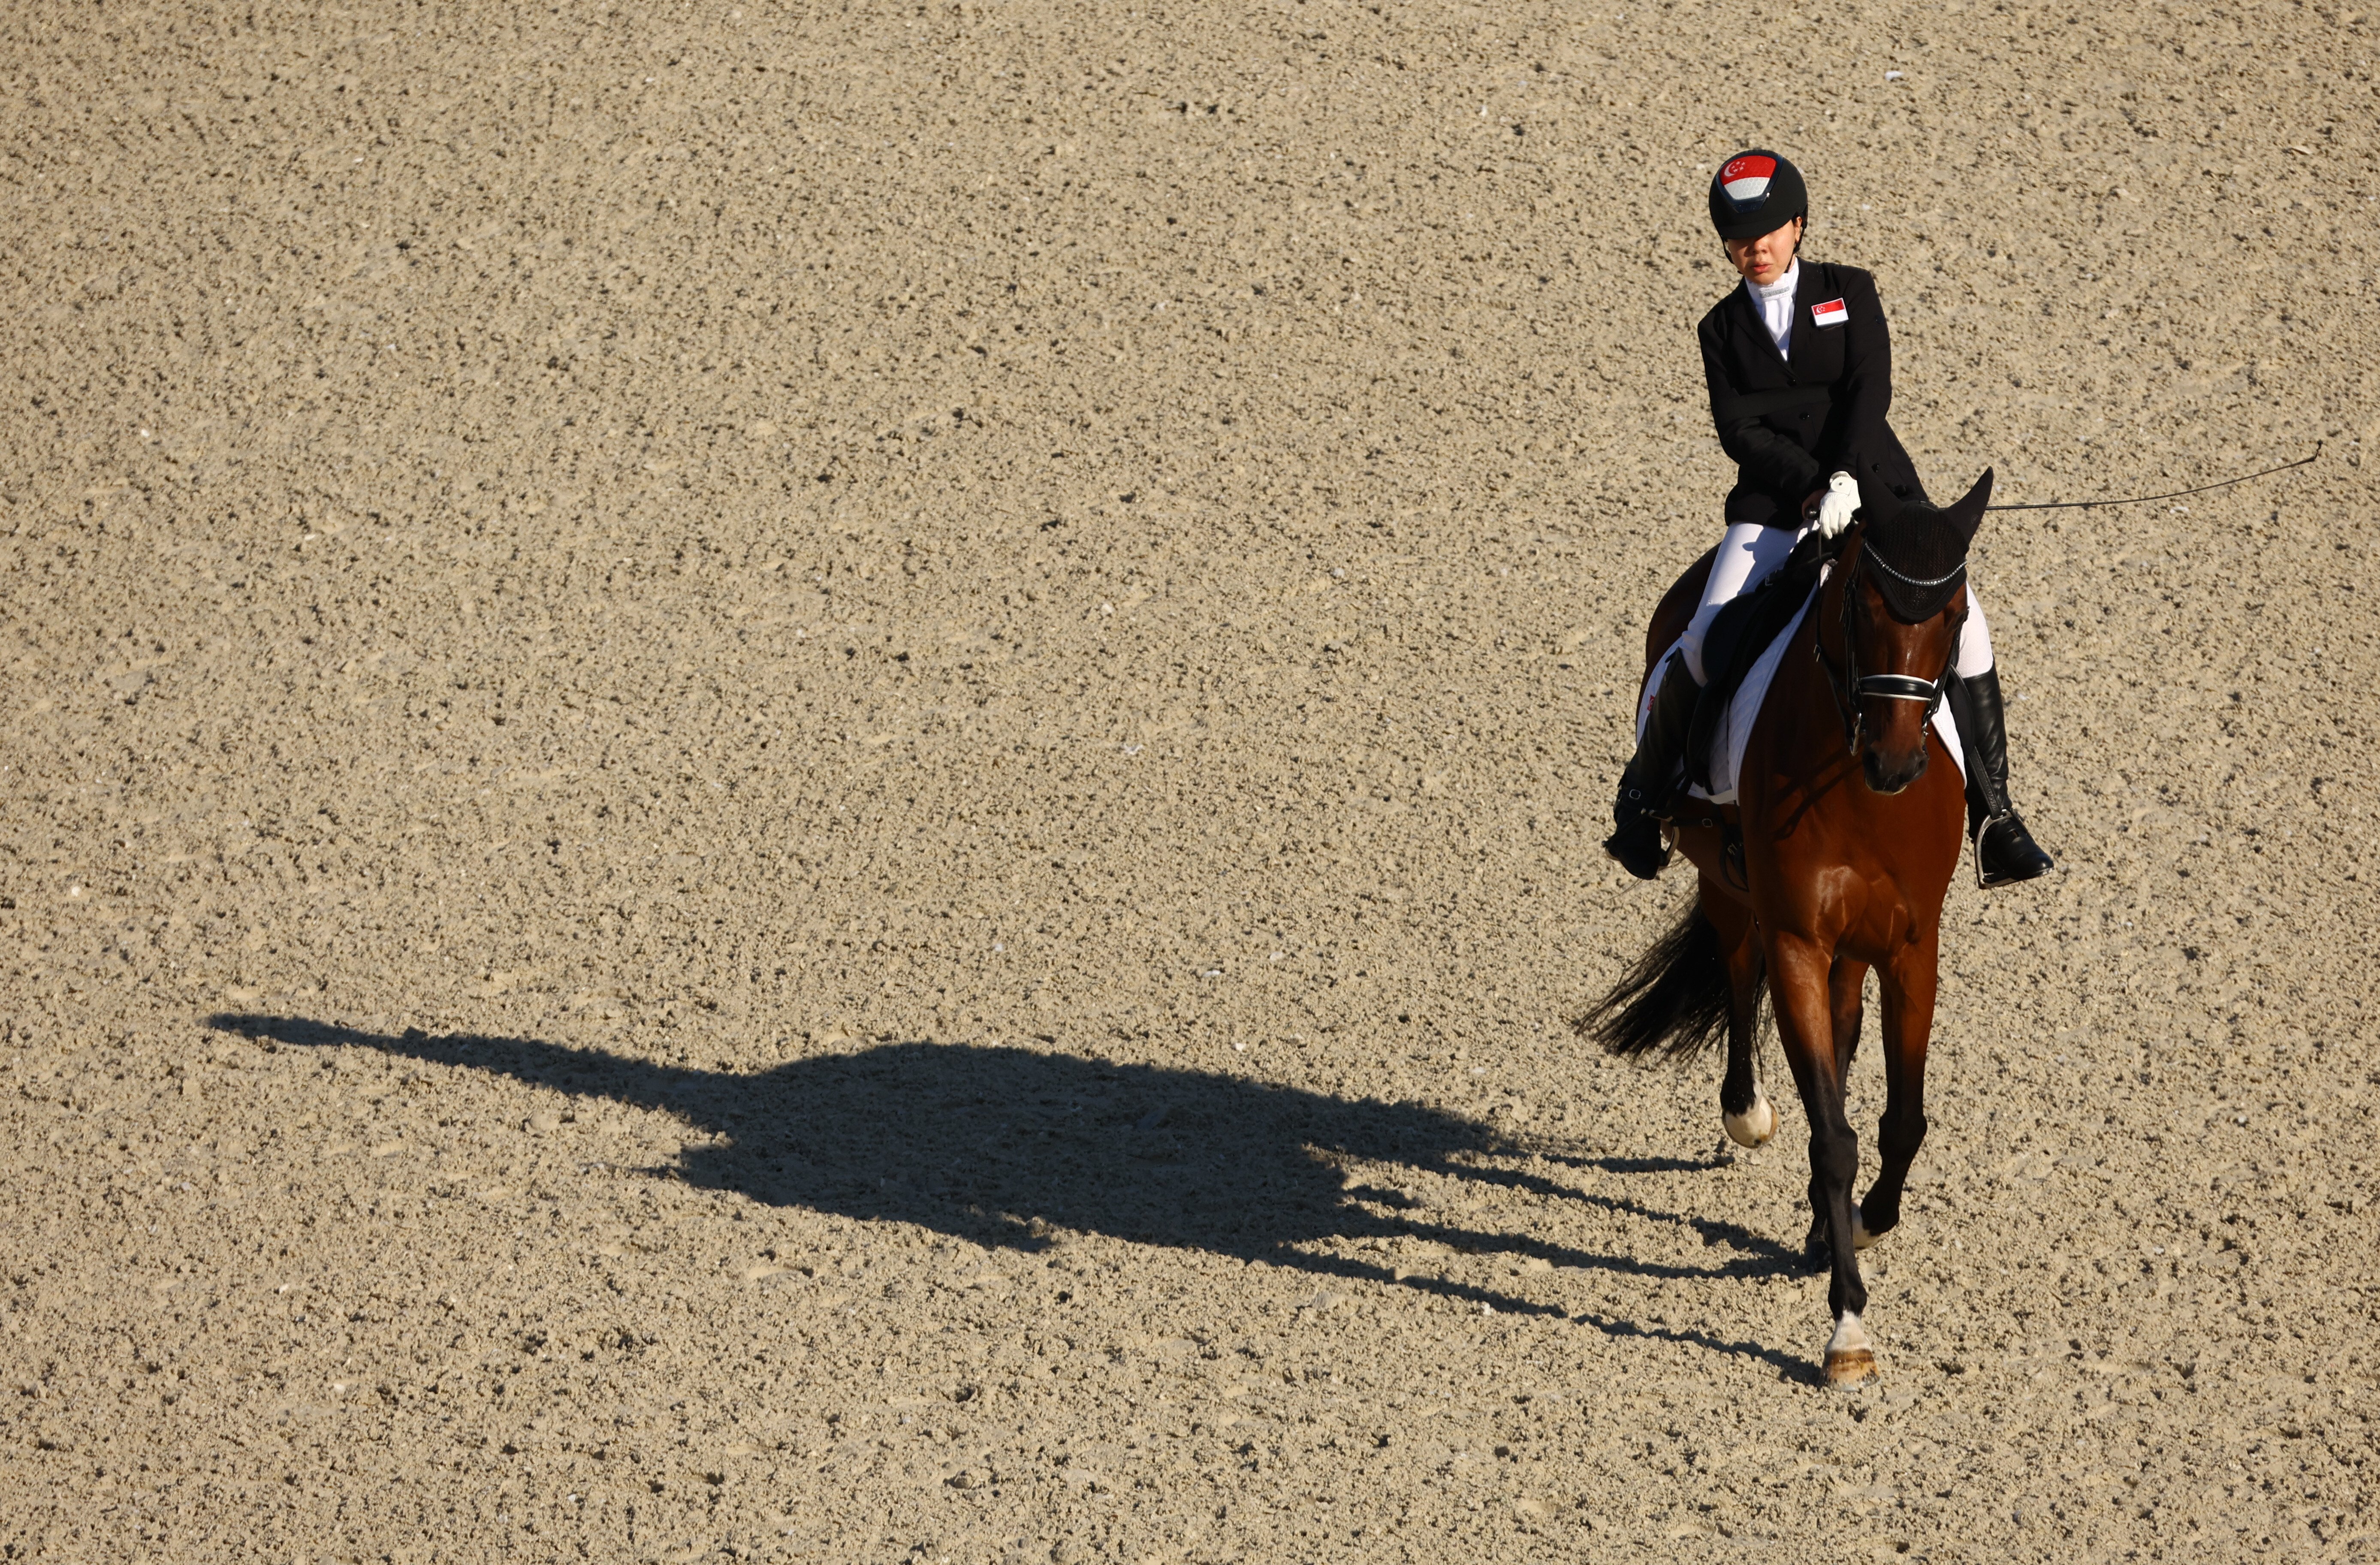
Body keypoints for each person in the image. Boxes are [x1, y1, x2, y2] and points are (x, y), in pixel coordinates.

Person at [1602, 149, 2054, 888]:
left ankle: (1996, 814)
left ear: (1797, 226)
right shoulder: (1718, 329)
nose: (1755, 248)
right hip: (1775, 509)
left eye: (1769, 232)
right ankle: (1642, 797)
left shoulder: (1850, 291)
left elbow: (1865, 390)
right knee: (1701, 637)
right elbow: (1739, 431)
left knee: (1966, 621)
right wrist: (1813, 491)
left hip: (1878, 491)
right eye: (1739, 237)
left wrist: (1845, 477)